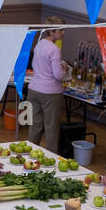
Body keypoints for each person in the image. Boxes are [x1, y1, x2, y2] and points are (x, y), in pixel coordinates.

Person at [26, 16, 66, 154]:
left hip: (33, 89)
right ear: (52, 31)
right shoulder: (54, 49)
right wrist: (65, 69)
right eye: (61, 31)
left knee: (34, 126)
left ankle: (29, 154)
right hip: (50, 93)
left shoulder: (39, 44)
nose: (63, 33)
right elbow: (58, 75)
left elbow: (34, 65)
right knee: (51, 128)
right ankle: (51, 158)